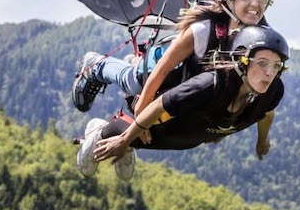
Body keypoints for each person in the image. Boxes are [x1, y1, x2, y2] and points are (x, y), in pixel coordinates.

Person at [76, 24, 289, 181]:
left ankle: (127, 142)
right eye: (262, 63)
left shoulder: (272, 91)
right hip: (160, 130)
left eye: (277, 65)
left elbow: (266, 113)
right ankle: (100, 131)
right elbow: (159, 105)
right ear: (241, 61)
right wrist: (123, 141)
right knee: (111, 150)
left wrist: (262, 141)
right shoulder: (209, 86)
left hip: (191, 137)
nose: (270, 73)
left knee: (177, 138)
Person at [72, 0, 275, 116]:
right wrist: (140, 116)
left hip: (185, 79)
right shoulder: (203, 30)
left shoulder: (257, 38)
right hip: (162, 68)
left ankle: (131, 64)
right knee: (134, 83)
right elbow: (164, 67)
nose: (255, 4)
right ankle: (98, 65)